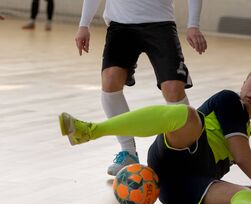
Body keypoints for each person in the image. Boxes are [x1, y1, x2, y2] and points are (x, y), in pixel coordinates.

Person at [59, 66, 251, 204]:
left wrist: (248, 188)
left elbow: (234, 157)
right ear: (244, 83)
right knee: (187, 116)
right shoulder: (229, 101)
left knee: (246, 196)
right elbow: (243, 156)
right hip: (176, 154)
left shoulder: (245, 129)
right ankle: (90, 130)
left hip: (177, 190)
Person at [75, 0, 208, 177]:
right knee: (110, 80)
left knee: (173, 89)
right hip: (121, 26)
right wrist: (84, 24)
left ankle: (189, 152)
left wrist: (193, 25)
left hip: (161, 25)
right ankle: (128, 152)